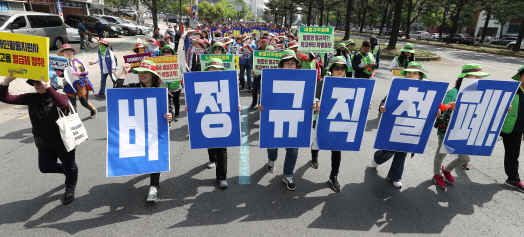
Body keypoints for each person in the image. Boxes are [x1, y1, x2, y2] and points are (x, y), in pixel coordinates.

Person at [0, 73, 77, 204]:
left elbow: (62, 103)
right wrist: (6, 82)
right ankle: (67, 172)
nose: (36, 85)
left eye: (39, 82)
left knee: (70, 165)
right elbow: (5, 98)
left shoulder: (60, 97)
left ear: (50, 83)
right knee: (45, 167)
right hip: (43, 142)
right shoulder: (31, 98)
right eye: (34, 82)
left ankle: (70, 187)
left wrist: (48, 87)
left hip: (63, 141)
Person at [115, 61, 173, 201]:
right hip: (138, 130)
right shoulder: (134, 87)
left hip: (156, 130)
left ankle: (154, 187)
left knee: (154, 157)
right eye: (140, 72)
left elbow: (170, 110)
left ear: (153, 74)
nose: (142, 74)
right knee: (142, 155)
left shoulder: (161, 89)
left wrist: (170, 116)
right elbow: (116, 91)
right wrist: (124, 72)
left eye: (145, 72)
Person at [432, 63, 489, 189]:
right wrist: (449, 107)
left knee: (464, 157)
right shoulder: (454, 92)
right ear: (465, 77)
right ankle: (437, 174)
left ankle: (446, 169)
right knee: (441, 153)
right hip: (448, 130)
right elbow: (441, 111)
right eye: (474, 76)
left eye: (480, 77)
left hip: (465, 130)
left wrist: (505, 108)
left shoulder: (481, 93)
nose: (478, 79)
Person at [372, 61, 428, 189]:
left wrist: (437, 112)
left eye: (414, 73)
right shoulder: (399, 84)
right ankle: (377, 158)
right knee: (390, 150)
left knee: (402, 152)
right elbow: (386, 101)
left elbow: (431, 106)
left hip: (412, 124)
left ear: (420, 75)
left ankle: (394, 176)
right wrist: (382, 108)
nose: (410, 75)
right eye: (408, 72)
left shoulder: (427, 89)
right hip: (396, 122)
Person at [186, 58, 241, 188]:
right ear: (207, 71)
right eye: (212, 69)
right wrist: (189, 108)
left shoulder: (227, 82)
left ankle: (221, 177)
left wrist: (236, 106)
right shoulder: (201, 82)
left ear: (222, 71)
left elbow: (233, 99)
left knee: (222, 147)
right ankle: (212, 158)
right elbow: (194, 100)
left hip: (222, 117)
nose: (215, 72)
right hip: (206, 117)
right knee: (209, 140)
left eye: (218, 70)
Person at [258, 49, 304, 191]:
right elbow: (266, 98)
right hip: (276, 118)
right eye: (287, 63)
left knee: (293, 150)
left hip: (293, 119)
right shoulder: (272, 78)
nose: (290, 66)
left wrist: (314, 103)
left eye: (293, 64)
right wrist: (261, 106)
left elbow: (310, 97)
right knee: (272, 146)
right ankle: (271, 160)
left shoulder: (303, 79)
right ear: (281, 65)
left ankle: (288, 174)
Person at [310, 56, 351, 192]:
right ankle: (314, 155)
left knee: (336, 148)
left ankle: (334, 176)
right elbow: (315, 96)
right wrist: (316, 102)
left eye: (343, 68)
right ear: (332, 69)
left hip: (339, 121)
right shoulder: (323, 81)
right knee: (317, 140)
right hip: (322, 118)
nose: (340, 70)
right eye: (337, 68)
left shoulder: (350, 83)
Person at [57, 44, 97, 119]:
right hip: (68, 86)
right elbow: (64, 75)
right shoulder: (62, 64)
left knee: (84, 102)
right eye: (66, 52)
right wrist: (59, 74)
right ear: (63, 53)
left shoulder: (78, 61)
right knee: (72, 104)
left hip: (80, 84)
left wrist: (80, 73)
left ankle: (93, 110)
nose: (69, 53)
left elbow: (86, 72)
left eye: (70, 51)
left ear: (73, 53)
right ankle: (75, 119)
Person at [501, 65, 524, 192]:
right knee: (478, 142)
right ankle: (462, 158)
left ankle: (513, 179)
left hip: (515, 129)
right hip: (498, 125)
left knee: (513, 154)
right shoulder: (511, 90)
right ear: (519, 76)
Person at [248, 36, 269, 109]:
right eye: (262, 42)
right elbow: (250, 61)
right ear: (260, 43)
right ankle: (254, 102)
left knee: (263, 90)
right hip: (257, 74)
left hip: (267, 75)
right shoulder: (256, 52)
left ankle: (260, 103)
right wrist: (252, 68)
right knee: (254, 89)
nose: (264, 44)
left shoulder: (271, 51)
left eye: (265, 42)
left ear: (268, 43)